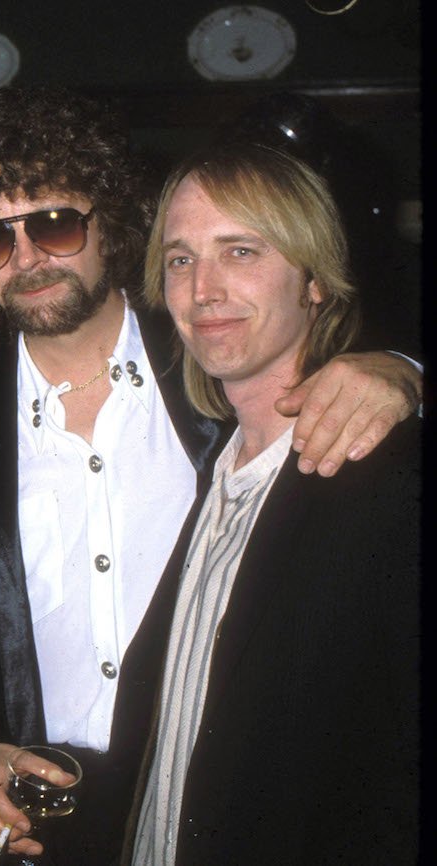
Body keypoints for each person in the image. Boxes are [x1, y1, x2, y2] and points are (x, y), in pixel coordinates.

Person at [0, 86, 420, 864]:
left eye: (53, 224)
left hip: (231, 801)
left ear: (108, 223)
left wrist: (406, 370)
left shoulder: (207, 356)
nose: (26, 258)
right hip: (41, 811)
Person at [128, 143, 418, 864]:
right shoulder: (209, 468)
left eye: (241, 252)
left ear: (314, 281)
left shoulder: (381, 480)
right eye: (182, 259)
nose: (204, 291)